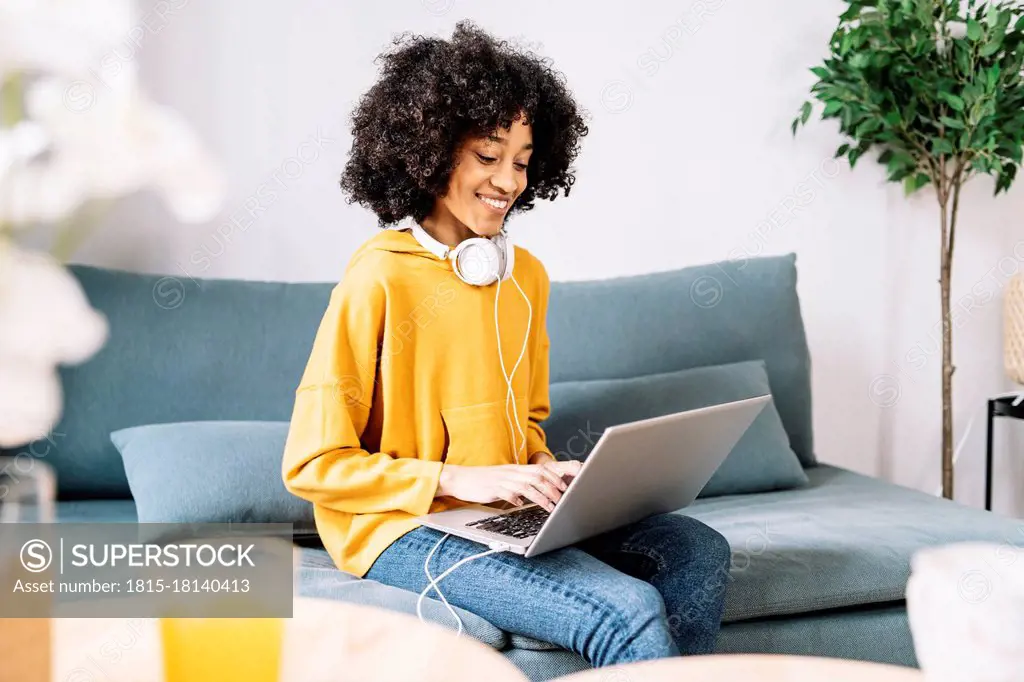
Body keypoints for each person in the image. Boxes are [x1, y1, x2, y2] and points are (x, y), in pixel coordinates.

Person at [282, 20, 732, 669]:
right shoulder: (377, 277)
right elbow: (311, 464)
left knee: (694, 549)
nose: (508, 180)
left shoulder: (525, 279)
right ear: (431, 150)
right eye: (488, 156)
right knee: (625, 611)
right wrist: (461, 478)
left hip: (503, 513)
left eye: (522, 161)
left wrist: (548, 476)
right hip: (398, 527)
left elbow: (524, 424)